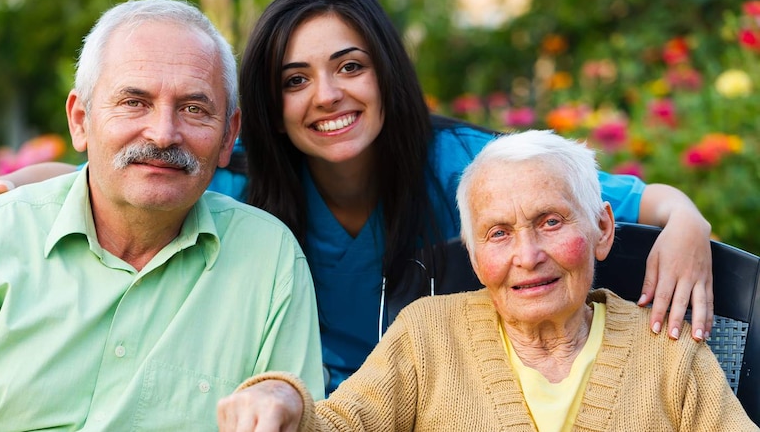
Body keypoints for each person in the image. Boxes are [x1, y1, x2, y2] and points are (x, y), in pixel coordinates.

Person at [0, 0, 714, 395]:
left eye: (349, 66)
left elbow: (632, 201)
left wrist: (685, 223)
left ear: (385, 74)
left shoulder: (463, 165)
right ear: (265, 109)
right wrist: (22, 187)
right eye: (295, 79)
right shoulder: (251, 179)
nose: (326, 96)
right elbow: (140, 163)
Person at [0, 0, 323, 429]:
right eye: (134, 102)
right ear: (80, 120)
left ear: (228, 134)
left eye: (194, 108)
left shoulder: (270, 260)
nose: (163, 134)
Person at [215, 129, 757, 432]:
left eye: (550, 222)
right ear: (473, 256)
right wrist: (283, 399)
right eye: (498, 233)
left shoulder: (668, 350)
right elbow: (341, 425)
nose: (528, 255)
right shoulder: (427, 335)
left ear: (602, 230)